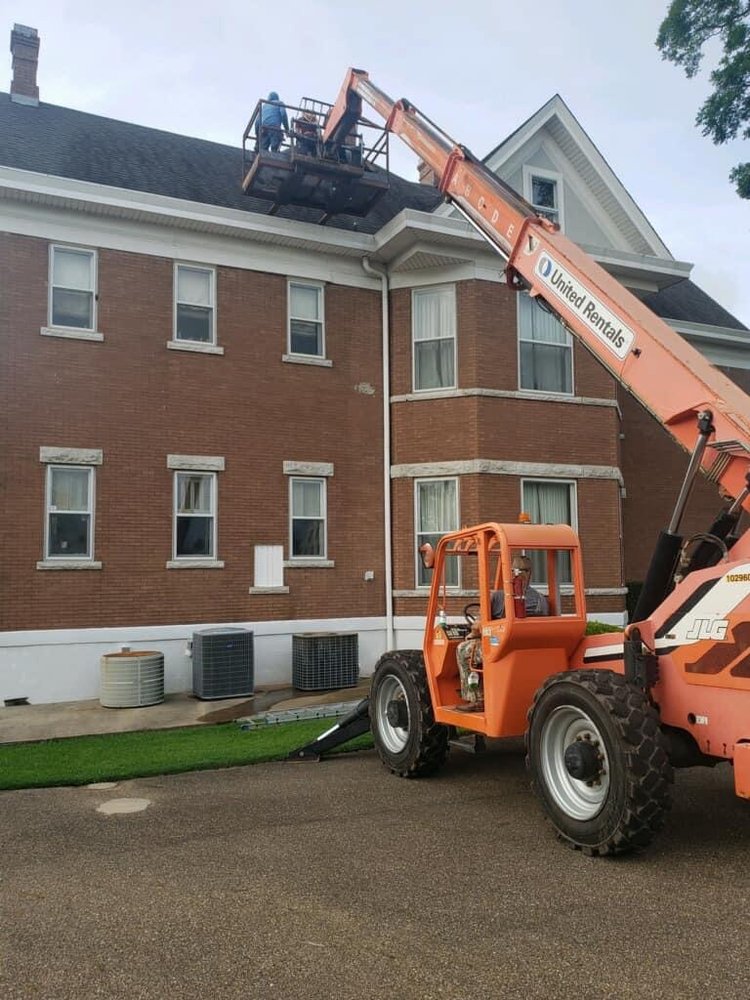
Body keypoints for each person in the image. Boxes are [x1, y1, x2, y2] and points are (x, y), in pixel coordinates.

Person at [455, 555, 549, 709]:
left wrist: (471, 635)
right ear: (530, 573)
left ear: (512, 573)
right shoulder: (541, 600)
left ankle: (476, 699)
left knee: (463, 650)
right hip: (530, 648)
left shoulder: (499, 597)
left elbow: (478, 626)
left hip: (502, 648)